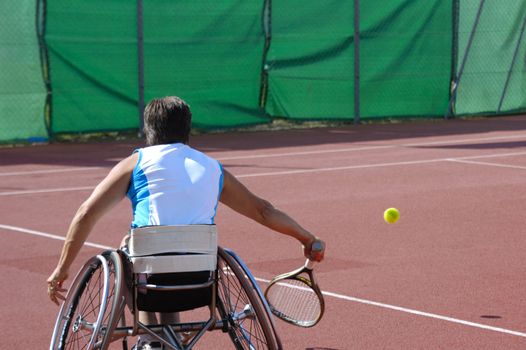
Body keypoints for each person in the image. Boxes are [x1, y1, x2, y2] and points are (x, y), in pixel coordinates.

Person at [47, 96, 325, 349]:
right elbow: (263, 211)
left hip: (149, 283)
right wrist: (306, 238)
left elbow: (86, 214)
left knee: (129, 250)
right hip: (201, 283)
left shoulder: (136, 163)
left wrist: (62, 268)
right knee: (164, 254)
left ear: (148, 130)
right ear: (188, 129)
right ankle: (161, 338)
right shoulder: (212, 167)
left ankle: (149, 336)